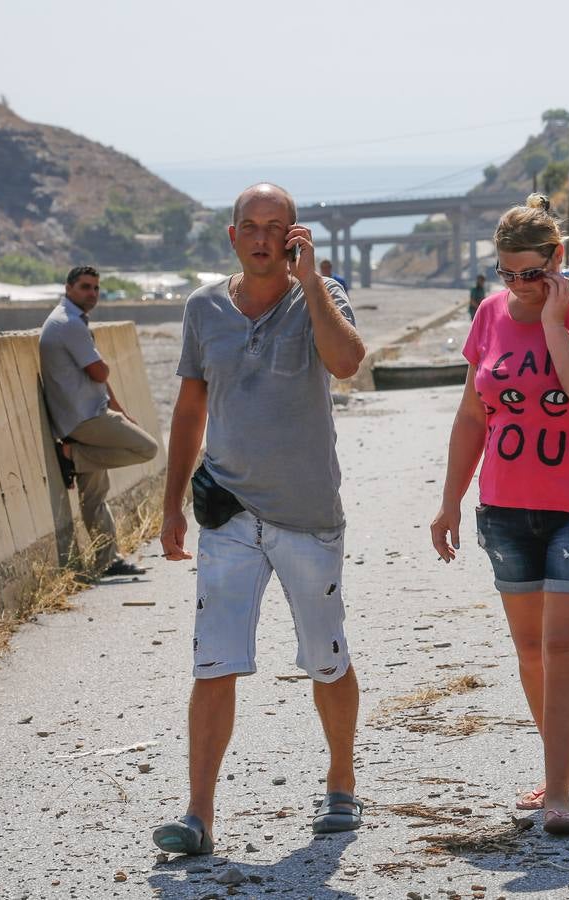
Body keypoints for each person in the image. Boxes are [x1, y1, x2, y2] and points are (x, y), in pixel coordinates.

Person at [153, 183, 366, 856]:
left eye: (277, 227)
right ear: (233, 235)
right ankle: (198, 815)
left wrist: (313, 283)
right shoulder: (203, 308)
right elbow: (190, 409)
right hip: (229, 515)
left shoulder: (322, 297)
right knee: (213, 661)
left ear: (295, 235)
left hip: (307, 514)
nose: (263, 238)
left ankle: (341, 782)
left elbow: (347, 362)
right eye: (251, 226)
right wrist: (171, 504)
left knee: (326, 658)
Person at [431, 194, 569, 836]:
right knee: (532, 651)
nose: (517, 286)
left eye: (531, 273)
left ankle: (559, 795)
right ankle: (564, 768)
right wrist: (449, 500)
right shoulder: (489, 313)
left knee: (565, 647)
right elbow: (472, 415)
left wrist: (554, 324)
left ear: (557, 258)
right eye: (507, 273)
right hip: (507, 507)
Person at [39, 265, 160, 577]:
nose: (92, 293)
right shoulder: (68, 324)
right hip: (86, 419)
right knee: (147, 448)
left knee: (94, 495)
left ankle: (107, 560)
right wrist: (104, 368)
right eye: (85, 287)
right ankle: (73, 456)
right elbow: (99, 372)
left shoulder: (71, 320)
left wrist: (119, 409)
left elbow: (98, 380)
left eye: (95, 288)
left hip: (82, 415)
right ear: (68, 288)